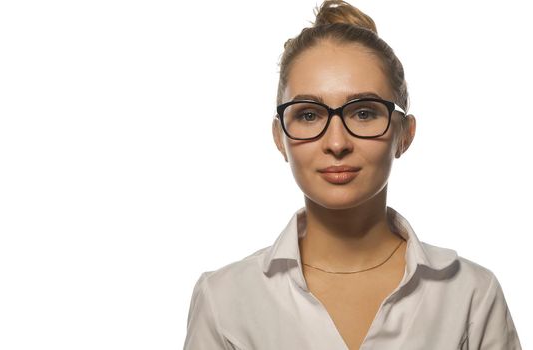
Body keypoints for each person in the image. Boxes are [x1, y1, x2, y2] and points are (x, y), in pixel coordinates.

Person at [182, 1, 522, 349]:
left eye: (363, 112)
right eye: (309, 115)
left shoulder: (472, 295)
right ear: (280, 138)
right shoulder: (223, 300)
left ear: (404, 134)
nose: (337, 142)